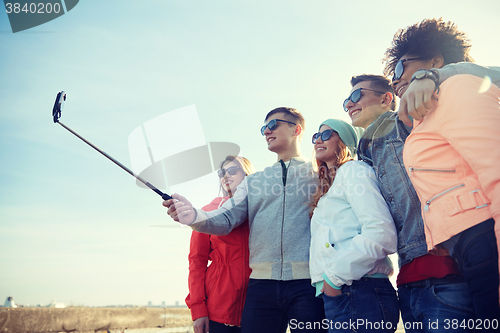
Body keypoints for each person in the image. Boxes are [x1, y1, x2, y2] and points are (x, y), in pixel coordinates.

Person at [165, 107, 326, 333]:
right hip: (261, 287)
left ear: (296, 129)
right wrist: (194, 215)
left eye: (273, 125)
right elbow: (227, 217)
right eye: (263, 128)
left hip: (307, 285)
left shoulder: (320, 174)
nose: (266, 132)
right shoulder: (254, 182)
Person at [386, 18, 500, 323]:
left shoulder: (458, 88)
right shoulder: (427, 113)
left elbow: (496, 172)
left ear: (435, 61)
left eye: (400, 68)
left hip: (484, 239)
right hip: (465, 247)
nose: (395, 81)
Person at [309, 119, 399, 333]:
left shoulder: (354, 171)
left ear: (344, 141)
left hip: (359, 290)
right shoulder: (329, 188)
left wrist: (334, 278)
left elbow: (381, 232)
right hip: (345, 293)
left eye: (326, 134)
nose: (318, 140)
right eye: (316, 136)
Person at [186, 155, 255, 333]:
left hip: (257, 305)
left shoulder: (260, 209)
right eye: (221, 172)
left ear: (247, 174)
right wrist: (198, 309)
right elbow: (196, 262)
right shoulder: (208, 212)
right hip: (218, 308)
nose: (225, 176)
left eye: (232, 170)